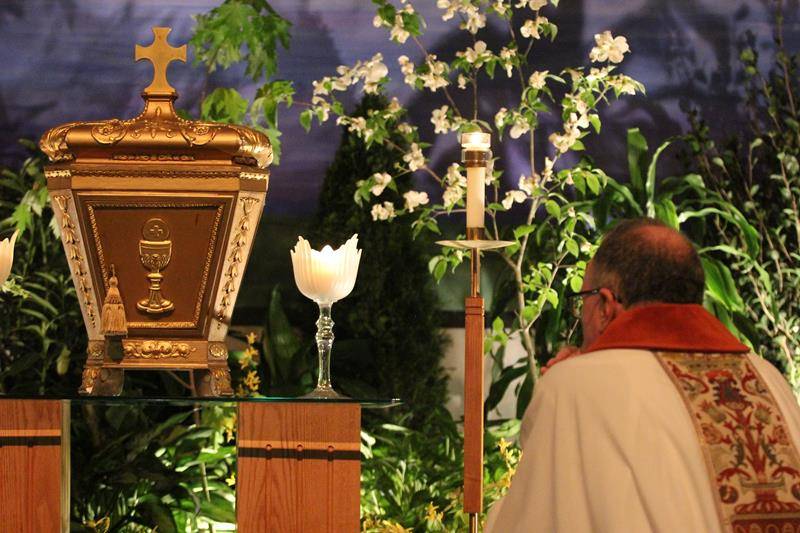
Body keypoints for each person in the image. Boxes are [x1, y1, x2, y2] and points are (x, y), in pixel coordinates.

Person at [485, 217, 800, 533]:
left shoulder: (575, 388)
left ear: (606, 305)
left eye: (583, 301)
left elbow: (529, 519)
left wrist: (561, 390)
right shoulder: (768, 378)